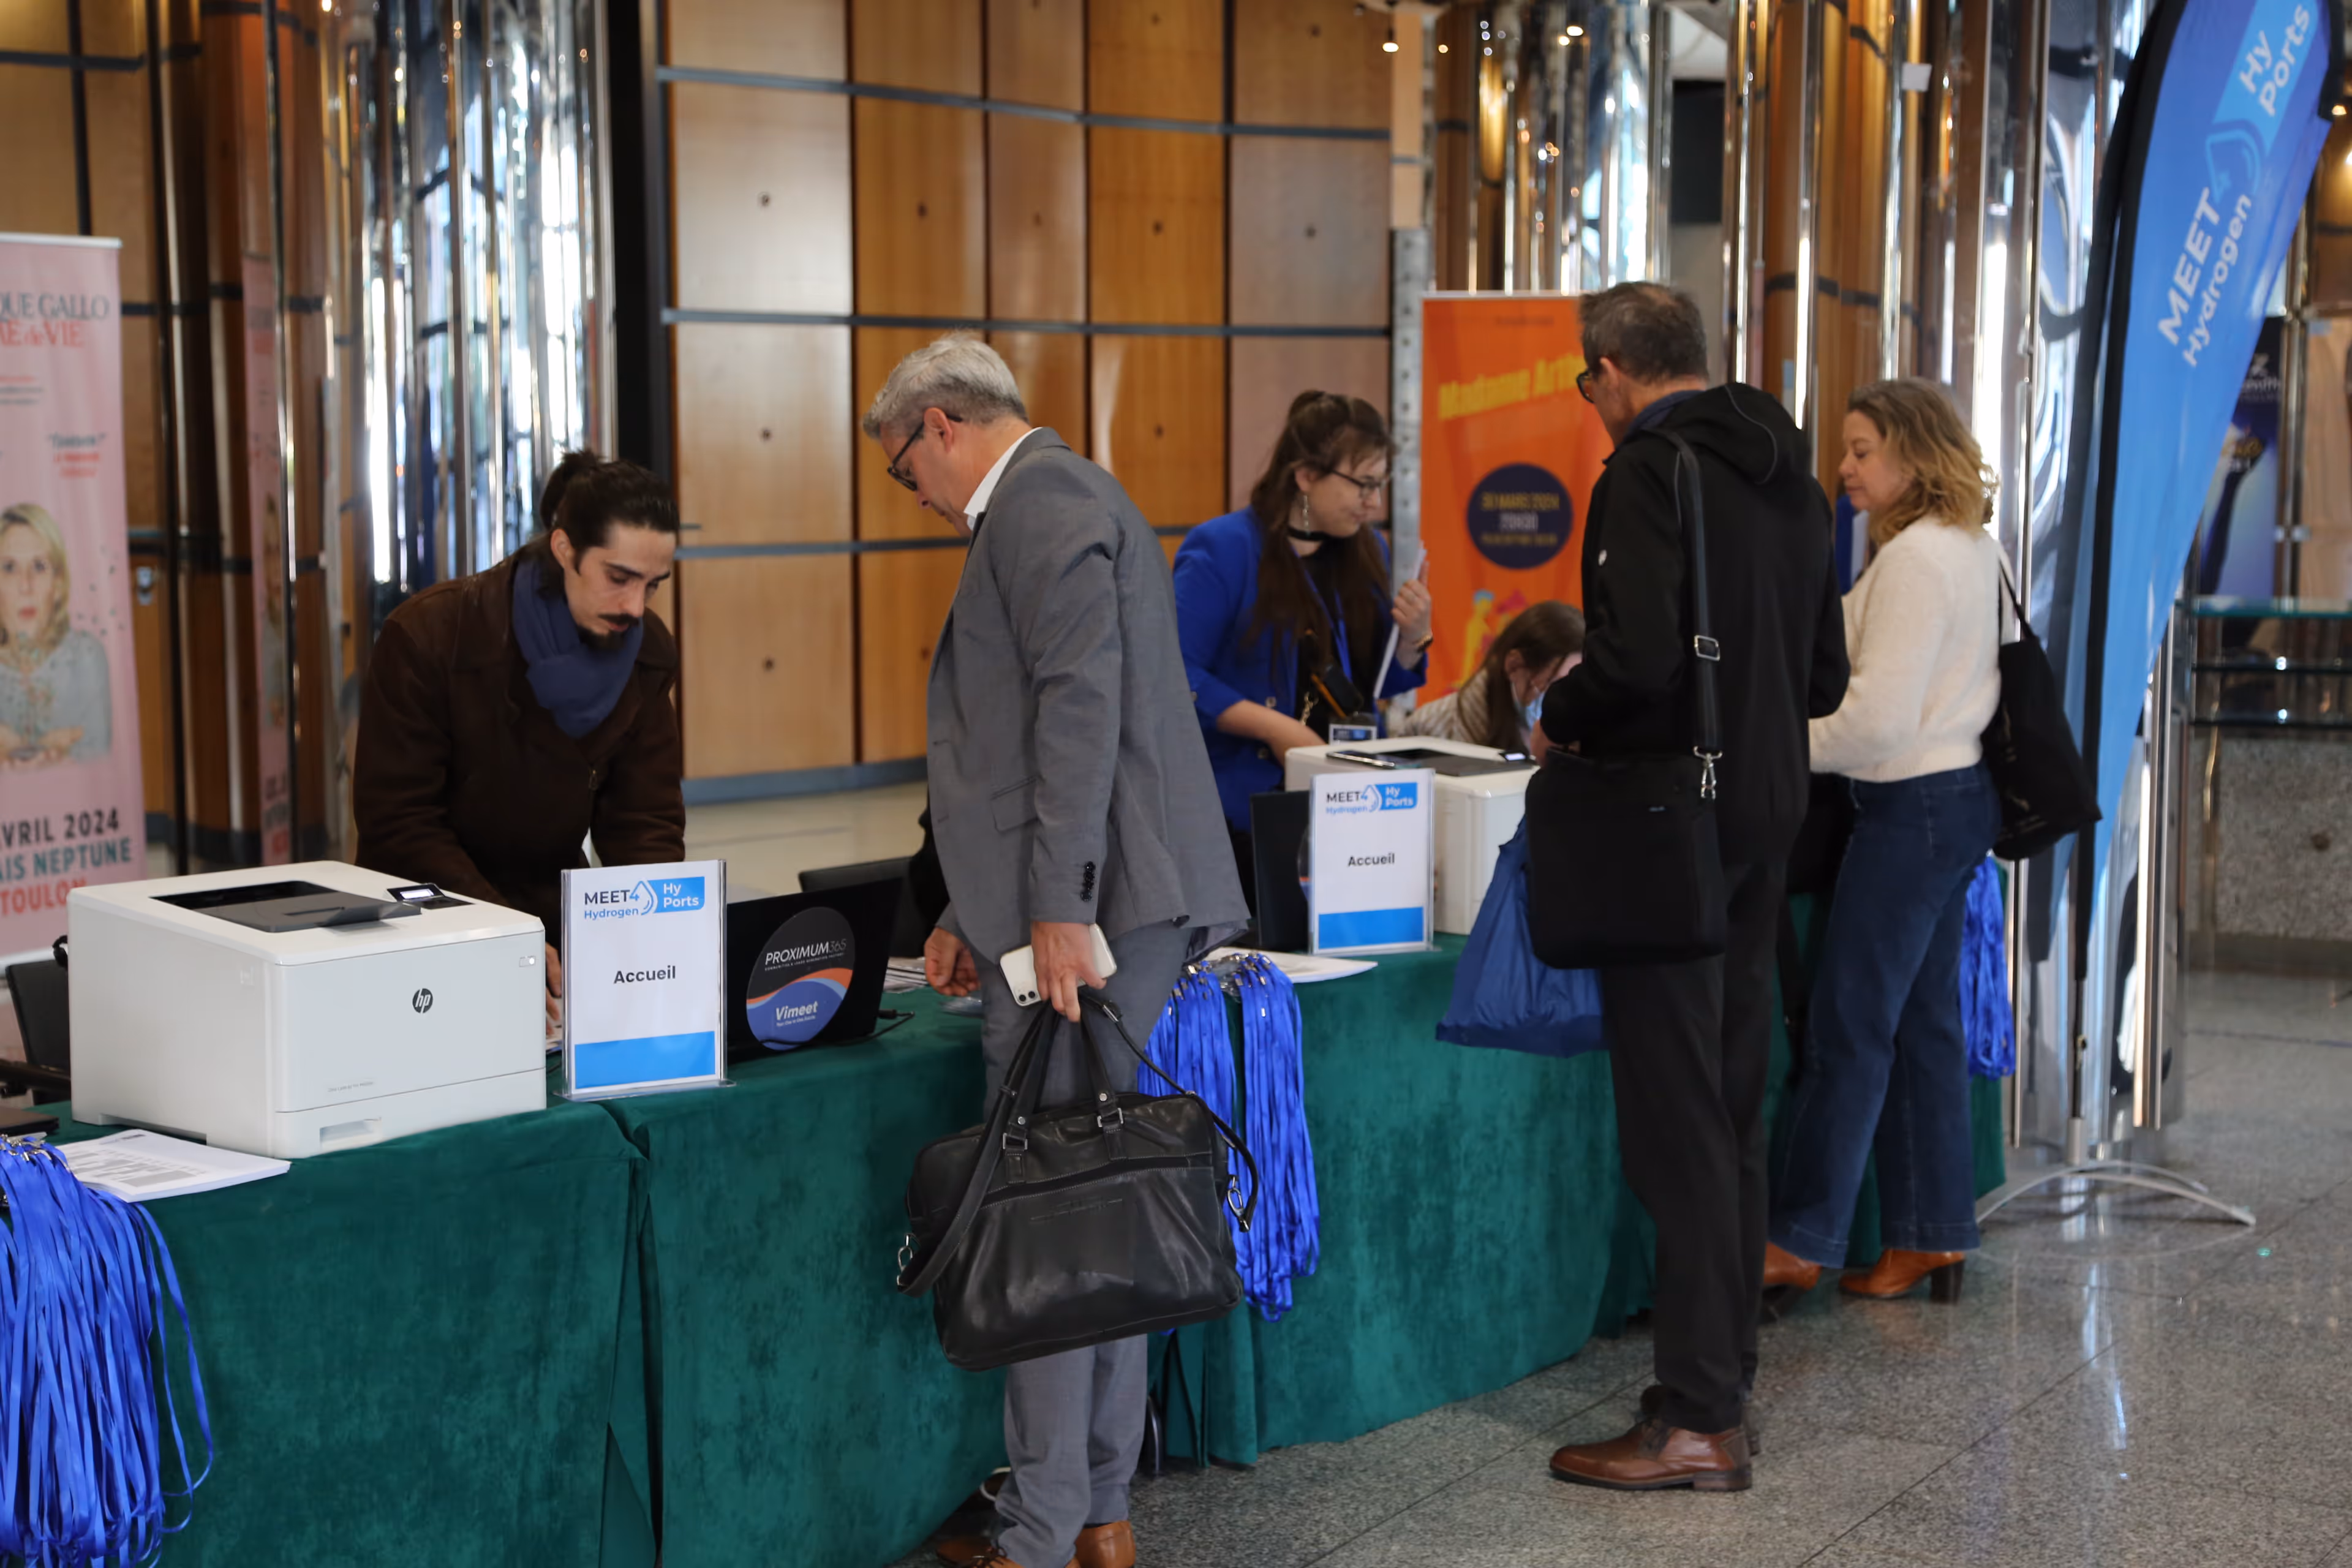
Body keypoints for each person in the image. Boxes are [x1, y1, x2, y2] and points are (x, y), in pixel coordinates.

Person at [862, 335, 1245, 1568]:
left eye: (896, 461)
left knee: (1051, 1214)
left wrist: (1055, 908)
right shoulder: (1059, 502)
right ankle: (1094, 1510)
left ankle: (1039, 1526)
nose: (905, 488)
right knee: (1099, 1206)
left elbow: (1079, 711)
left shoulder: (1042, 500)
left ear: (938, 424)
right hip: (1081, 906)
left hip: (1090, 912)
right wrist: (983, 904)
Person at [1539, 283, 1849, 1493]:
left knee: (1677, 1126)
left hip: (1670, 823)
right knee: (1729, 1108)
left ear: (1613, 368)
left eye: (1587, 382)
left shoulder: (1646, 475)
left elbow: (1633, 665)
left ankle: (1697, 1419)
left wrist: (1553, 712)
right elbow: (1822, 672)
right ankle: (1718, 1385)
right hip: (1772, 809)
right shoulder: (1792, 477)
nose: (1593, 403)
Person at [1762, 380, 2004, 1306]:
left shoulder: (1913, 563)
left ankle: (1799, 1237)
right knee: (1922, 1026)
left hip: (1910, 809)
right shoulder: (1965, 546)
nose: (1844, 467)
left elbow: (1874, 725)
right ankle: (1931, 1232)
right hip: (1956, 802)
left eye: (1863, 449)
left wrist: (1768, 747)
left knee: (1848, 1026)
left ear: (1913, 453)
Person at [353, 451, 685, 1031]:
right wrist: (506, 937)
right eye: (619, 578)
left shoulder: (646, 652)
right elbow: (400, 825)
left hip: (551, 925)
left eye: (653, 586)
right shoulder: (431, 636)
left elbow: (644, 822)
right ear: (564, 550)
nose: (635, 607)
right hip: (424, 918)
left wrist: (649, 945)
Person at [1172, 392, 1433, 901]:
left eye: (1381, 486)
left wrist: (1412, 636)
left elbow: (1378, 682)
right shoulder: (1223, 548)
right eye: (1364, 484)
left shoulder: (1366, 550)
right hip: (1246, 809)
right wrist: (1275, 728)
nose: (1375, 503)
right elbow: (1176, 675)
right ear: (1306, 476)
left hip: (1351, 797)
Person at [1396, 599, 1583, 760]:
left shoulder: (1574, 740)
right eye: (1555, 682)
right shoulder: (1428, 731)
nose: (1564, 698)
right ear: (1514, 665)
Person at [0, 502, 112, 767]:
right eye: (9, 568)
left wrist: (61, 762)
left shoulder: (86, 657)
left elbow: (101, 762)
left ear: (59, 584)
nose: (25, 585)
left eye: (39, 567)